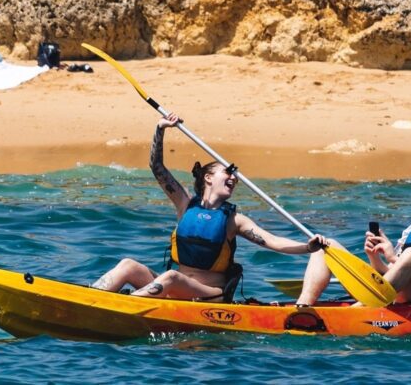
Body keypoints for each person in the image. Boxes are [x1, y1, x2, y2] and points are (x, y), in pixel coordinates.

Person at [93, 113, 327, 300]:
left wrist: (307, 247)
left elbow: (274, 242)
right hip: (175, 289)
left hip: (209, 296)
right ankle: (90, 297)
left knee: (171, 277)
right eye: (228, 173)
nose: (234, 178)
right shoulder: (185, 204)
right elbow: (157, 168)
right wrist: (160, 129)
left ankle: (124, 304)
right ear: (208, 178)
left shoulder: (234, 220)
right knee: (128, 265)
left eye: (235, 176)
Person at [295, 169, 411, 305]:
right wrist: (375, 255)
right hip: (389, 290)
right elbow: (389, 272)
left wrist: (392, 256)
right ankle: (302, 306)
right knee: (326, 245)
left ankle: (363, 307)